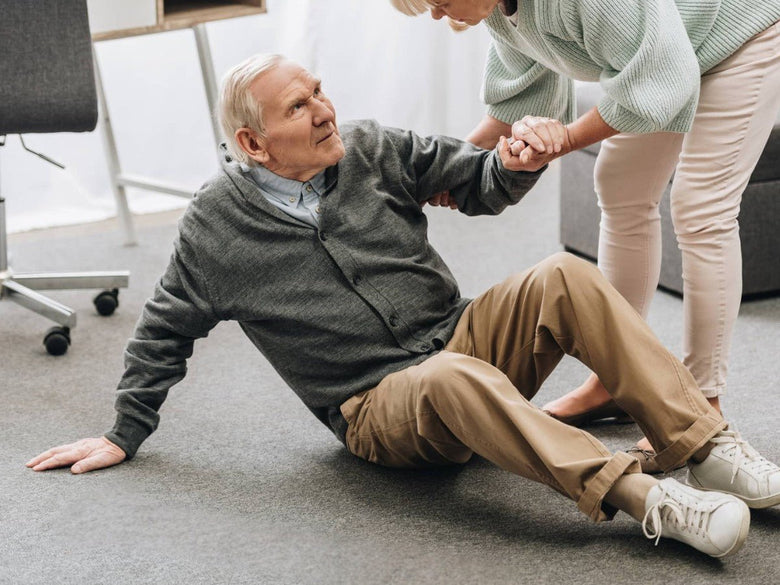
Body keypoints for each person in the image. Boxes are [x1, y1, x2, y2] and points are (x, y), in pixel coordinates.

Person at [27, 54, 780, 559]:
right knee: (451, 378)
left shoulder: (366, 146)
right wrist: (125, 430)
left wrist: (514, 162)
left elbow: (477, 181)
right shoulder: (214, 228)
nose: (325, 111)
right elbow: (164, 329)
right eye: (301, 106)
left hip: (459, 337)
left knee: (563, 274)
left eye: (319, 91)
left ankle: (705, 449)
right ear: (255, 144)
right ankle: (647, 498)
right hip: (378, 407)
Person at [390, 0, 780, 471]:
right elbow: (522, 102)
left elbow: (657, 81)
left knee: (700, 208)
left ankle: (701, 406)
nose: (437, 16)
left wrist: (564, 140)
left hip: (742, 33)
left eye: (439, 1)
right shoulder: (497, 10)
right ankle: (616, 379)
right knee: (620, 186)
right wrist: (439, 173)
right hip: (669, 52)